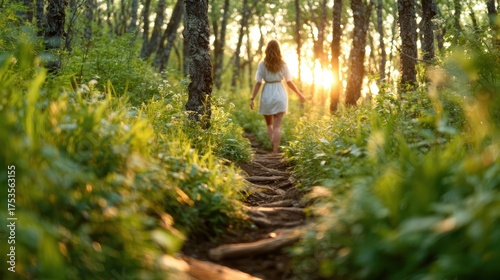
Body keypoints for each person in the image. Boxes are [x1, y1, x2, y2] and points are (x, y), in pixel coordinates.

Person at [250, 39, 306, 153]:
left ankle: (273, 145)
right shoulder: (283, 64)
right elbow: (289, 82)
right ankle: (275, 151)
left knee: (269, 125)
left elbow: (258, 82)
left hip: (267, 94)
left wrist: (252, 98)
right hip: (280, 93)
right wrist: (300, 94)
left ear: (267, 50)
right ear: (278, 50)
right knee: (277, 127)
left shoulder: (262, 64)